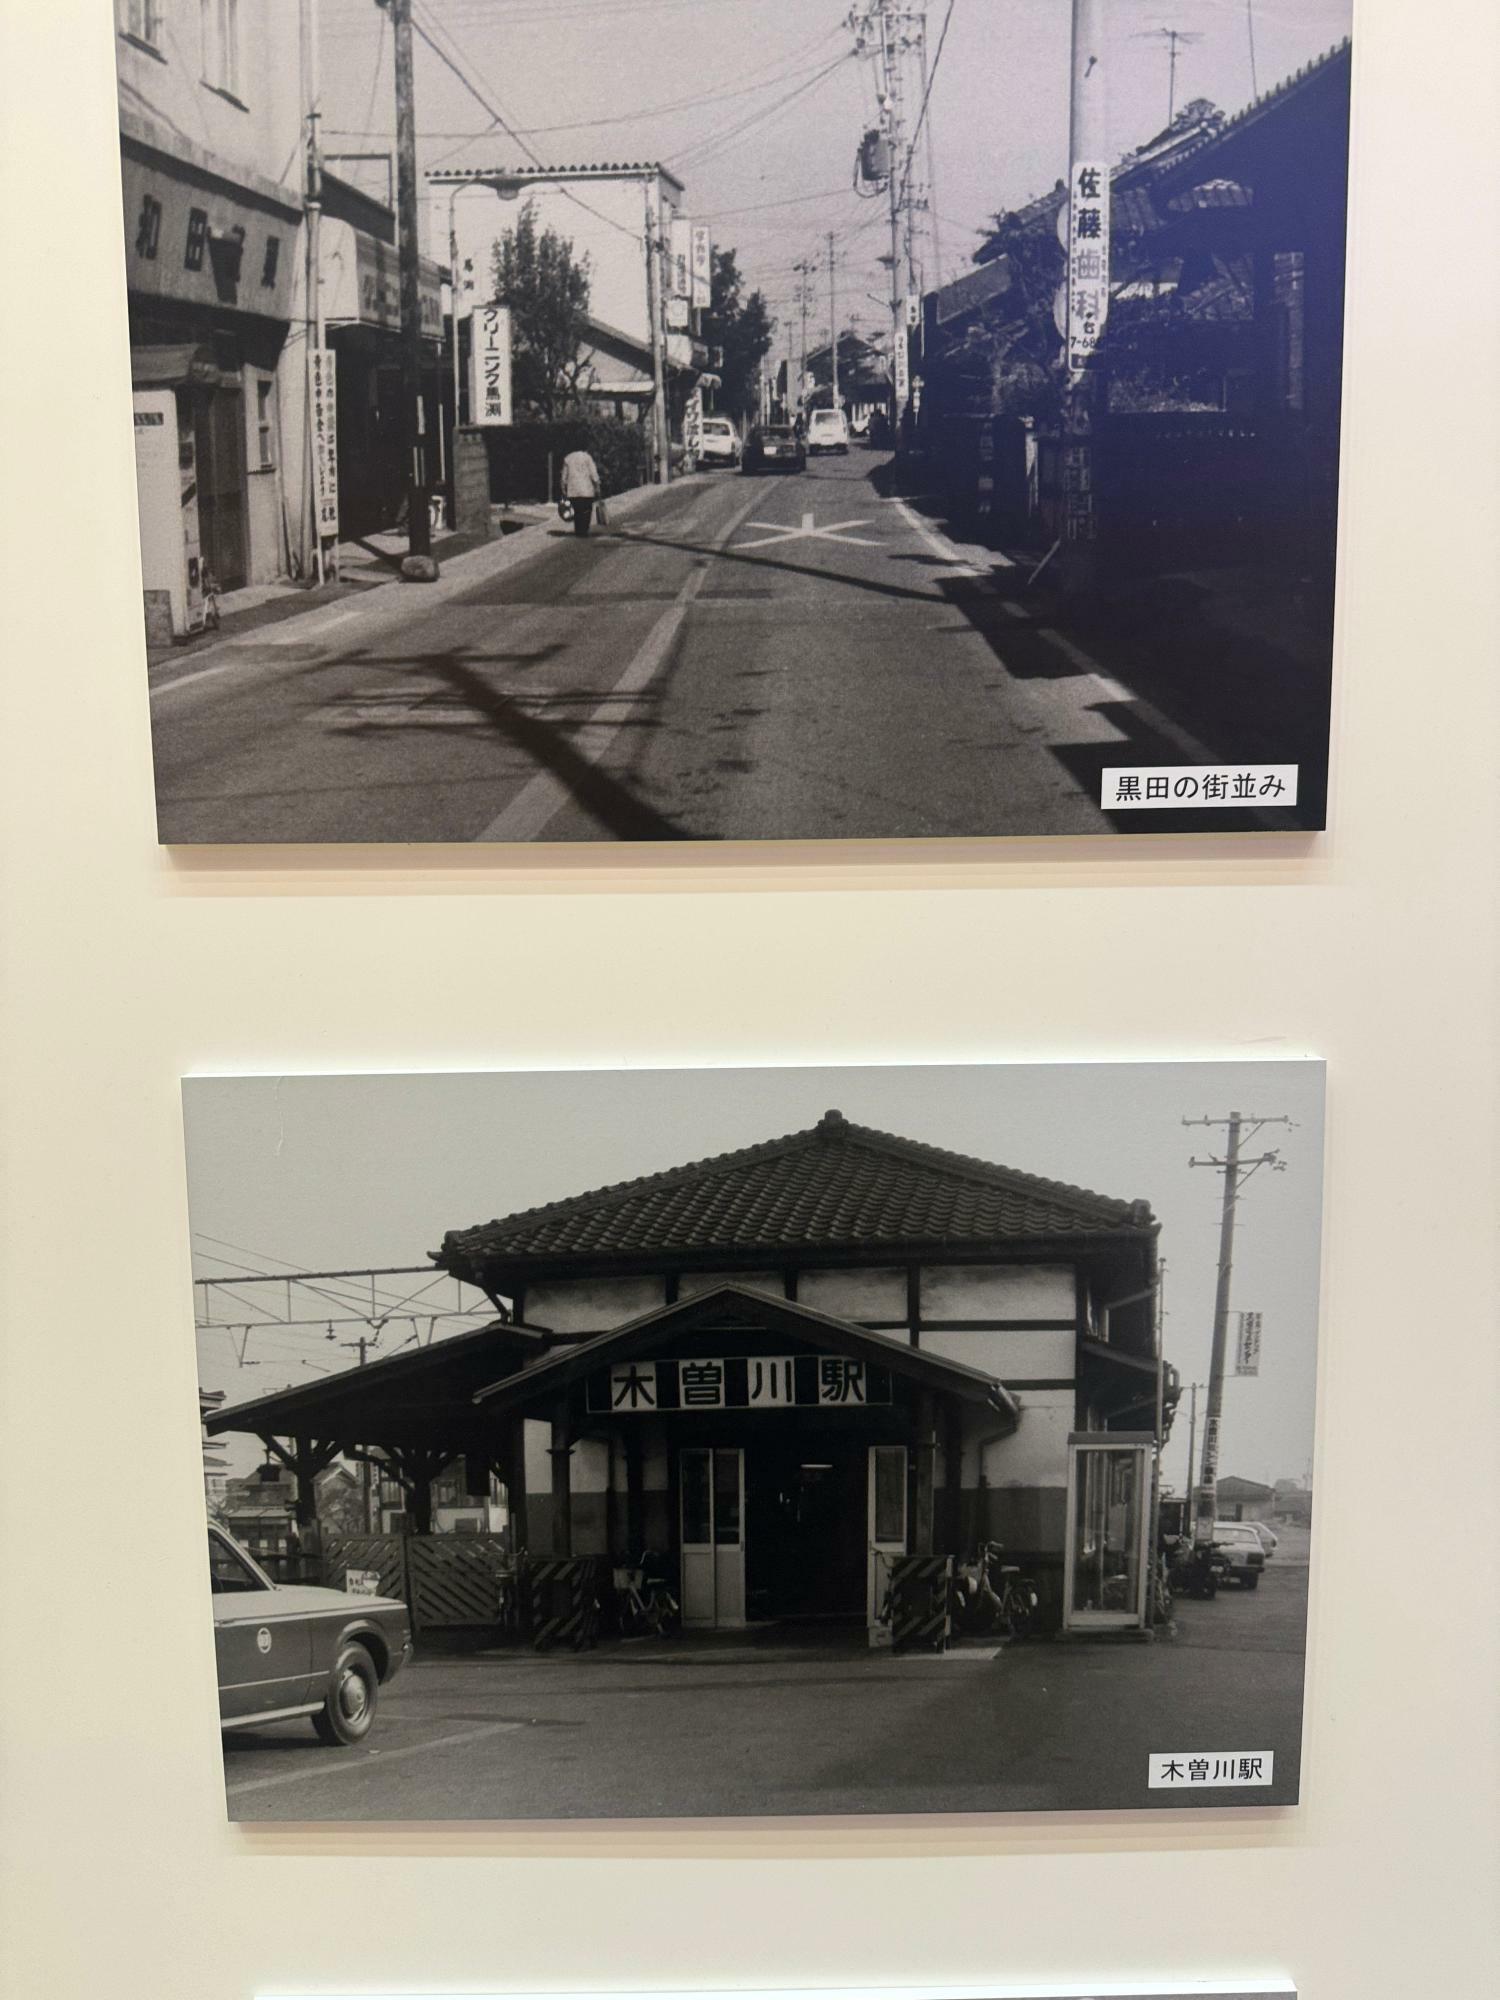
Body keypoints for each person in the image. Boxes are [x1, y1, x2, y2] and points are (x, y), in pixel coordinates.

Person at [560, 444, 603, 536]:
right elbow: (593, 473)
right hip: (587, 489)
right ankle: (584, 530)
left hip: (573, 490)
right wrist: (597, 485)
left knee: (577, 511)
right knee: (587, 511)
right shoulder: (587, 457)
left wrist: (563, 488)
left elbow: (564, 476)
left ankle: (578, 530)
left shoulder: (568, 458)